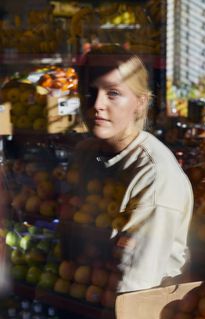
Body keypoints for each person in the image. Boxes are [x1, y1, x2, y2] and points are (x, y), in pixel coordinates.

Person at [72, 44, 193, 294]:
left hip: (132, 315)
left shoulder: (155, 176)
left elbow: (133, 286)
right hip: (85, 297)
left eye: (113, 93)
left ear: (140, 102)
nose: (97, 104)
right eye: (89, 92)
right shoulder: (86, 153)